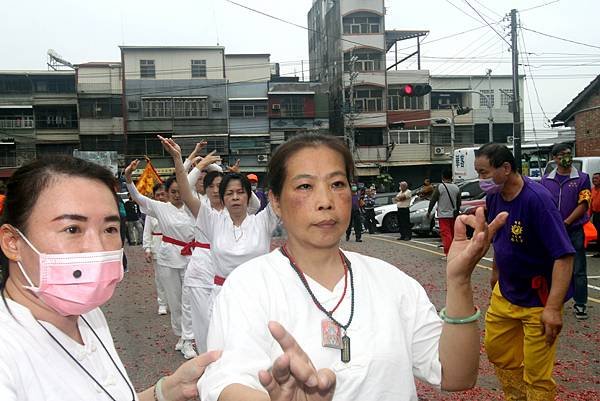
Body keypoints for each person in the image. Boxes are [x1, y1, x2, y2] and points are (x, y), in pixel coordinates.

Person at [199, 133, 508, 401]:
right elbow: (226, 382)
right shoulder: (249, 286)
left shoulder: (391, 283)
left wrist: (459, 283)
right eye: (305, 186)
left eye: (337, 183)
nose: (325, 201)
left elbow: (456, 375)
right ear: (276, 202)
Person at [0, 155, 222, 401]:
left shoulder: (86, 313)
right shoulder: (7, 354)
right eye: (72, 229)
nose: (97, 246)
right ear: (13, 242)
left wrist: (165, 391)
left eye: (109, 229)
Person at [475, 143, 575, 401]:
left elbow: (563, 256)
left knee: (537, 373)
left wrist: (552, 309)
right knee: (498, 353)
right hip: (506, 291)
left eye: (484, 172)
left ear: (506, 168)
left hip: (537, 299)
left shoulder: (537, 200)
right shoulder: (494, 196)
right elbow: (499, 236)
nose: (481, 180)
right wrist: (496, 271)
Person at [159, 136, 279, 311]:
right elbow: (185, 193)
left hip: (257, 298)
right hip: (223, 298)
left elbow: (282, 191)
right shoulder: (213, 221)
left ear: (249, 195)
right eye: (229, 193)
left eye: (240, 192)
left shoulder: (264, 220)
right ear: (223, 198)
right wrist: (178, 159)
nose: (235, 197)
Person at [124, 163, 197, 358]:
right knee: (174, 301)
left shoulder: (193, 206)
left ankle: (189, 338)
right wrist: (129, 179)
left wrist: (196, 164)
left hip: (191, 257)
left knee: (189, 299)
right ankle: (181, 336)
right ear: (167, 192)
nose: (176, 195)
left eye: (180, 191)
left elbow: (190, 178)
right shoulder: (160, 207)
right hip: (167, 257)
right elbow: (138, 198)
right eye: (172, 192)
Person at [541, 143, 591, 320]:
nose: (566, 157)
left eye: (569, 154)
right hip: (553, 231)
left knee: (578, 268)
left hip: (574, 230)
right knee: (551, 266)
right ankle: (553, 300)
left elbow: (584, 203)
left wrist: (567, 222)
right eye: (562, 154)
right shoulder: (546, 180)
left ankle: (580, 303)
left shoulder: (582, 178)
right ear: (554, 158)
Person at [143, 183, 169, 315]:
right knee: (160, 278)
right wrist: (147, 248)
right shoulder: (151, 212)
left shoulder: (174, 209)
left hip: (174, 247)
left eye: (163, 194)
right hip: (157, 245)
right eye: (157, 195)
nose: (160, 197)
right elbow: (147, 231)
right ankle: (162, 303)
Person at [427, 169, 461, 255]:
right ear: (451, 177)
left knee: (446, 234)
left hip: (443, 215)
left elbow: (433, 200)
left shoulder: (440, 187)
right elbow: (459, 203)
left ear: (442, 176)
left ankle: (448, 253)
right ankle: (455, 252)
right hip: (453, 215)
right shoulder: (456, 188)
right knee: (453, 234)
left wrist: (429, 211)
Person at [591, 172, 600, 258]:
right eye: (593, 179)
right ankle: (598, 251)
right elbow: (590, 204)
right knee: (598, 233)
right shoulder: (592, 190)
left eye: (596, 178)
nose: (594, 180)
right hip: (596, 215)